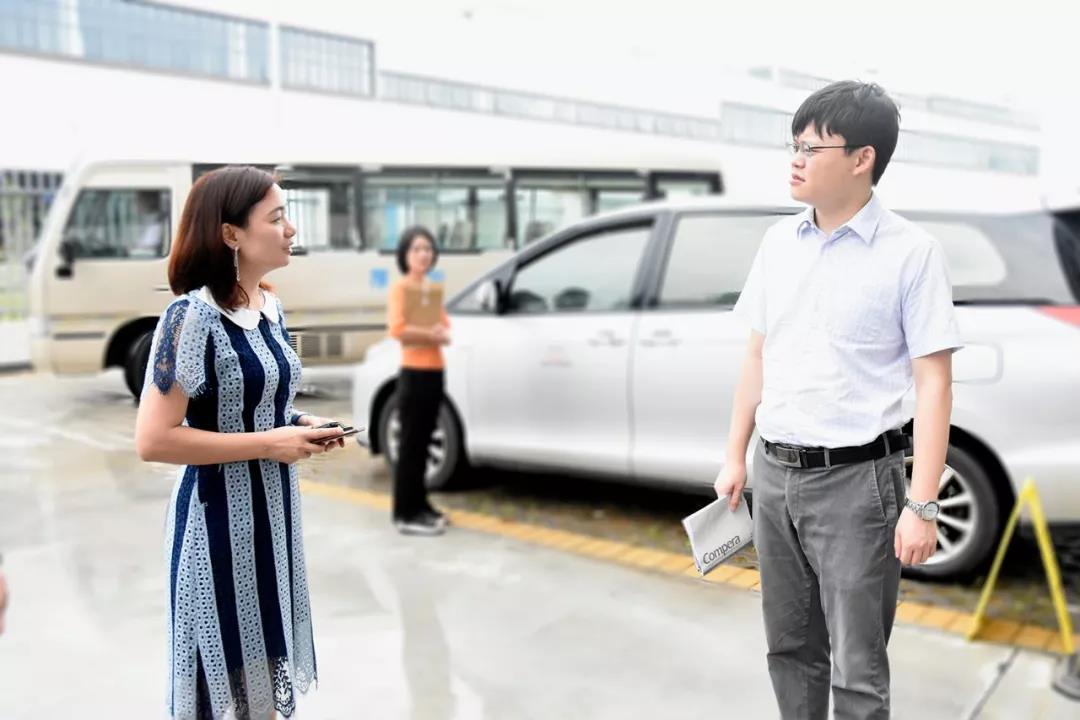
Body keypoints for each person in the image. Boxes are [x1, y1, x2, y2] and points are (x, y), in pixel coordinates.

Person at [714, 81, 962, 719]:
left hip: (858, 485)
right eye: (794, 146)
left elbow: (934, 384)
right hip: (775, 473)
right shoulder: (778, 243)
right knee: (789, 647)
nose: (796, 160)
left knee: (858, 668)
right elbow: (756, 354)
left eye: (812, 147)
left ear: (862, 158)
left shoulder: (912, 254)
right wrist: (736, 455)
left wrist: (922, 505)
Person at [135, 166, 346, 719]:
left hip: (272, 526)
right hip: (216, 531)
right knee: (218, 695)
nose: (290, 230)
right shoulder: (189, 318)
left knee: (261, 696)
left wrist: (300, 424)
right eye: (276, 219)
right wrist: (269, 443)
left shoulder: (269, 307)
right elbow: (154, 439)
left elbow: (256, 407)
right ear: (231, 233)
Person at [386, 225, 451, 536]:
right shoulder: (401, 288)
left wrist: (437, 333)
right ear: (405, 254)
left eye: (428, 249)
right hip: (413, 373)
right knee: (411, 445)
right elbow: (397, 329)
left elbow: (445, 327)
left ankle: (421, 505)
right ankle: (405, 513)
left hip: (435, 372)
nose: (424, 254)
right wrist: (430, 333)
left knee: (424, 444)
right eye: (417, 249)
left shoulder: (431, 288)